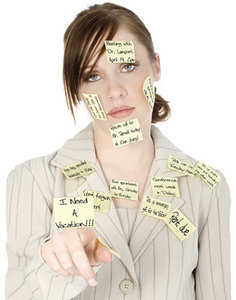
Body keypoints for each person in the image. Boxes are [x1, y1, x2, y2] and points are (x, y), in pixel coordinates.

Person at [5, 2, 231, 300]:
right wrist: (54, 264)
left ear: (156, 66)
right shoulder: (32, 179)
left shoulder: (207, 187)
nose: (114, 91)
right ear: (77, 89)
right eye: (93, 76)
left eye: (127, 66)